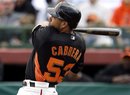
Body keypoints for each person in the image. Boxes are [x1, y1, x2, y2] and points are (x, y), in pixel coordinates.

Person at [17, 1, 86, 95]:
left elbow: (35, 31)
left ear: (64, 24)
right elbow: (75, 71)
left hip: (33, 90)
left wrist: (45, 24)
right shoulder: (80, 42)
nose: (50, 18)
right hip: (51, 91)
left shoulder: (47, 35)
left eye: (55, 17)